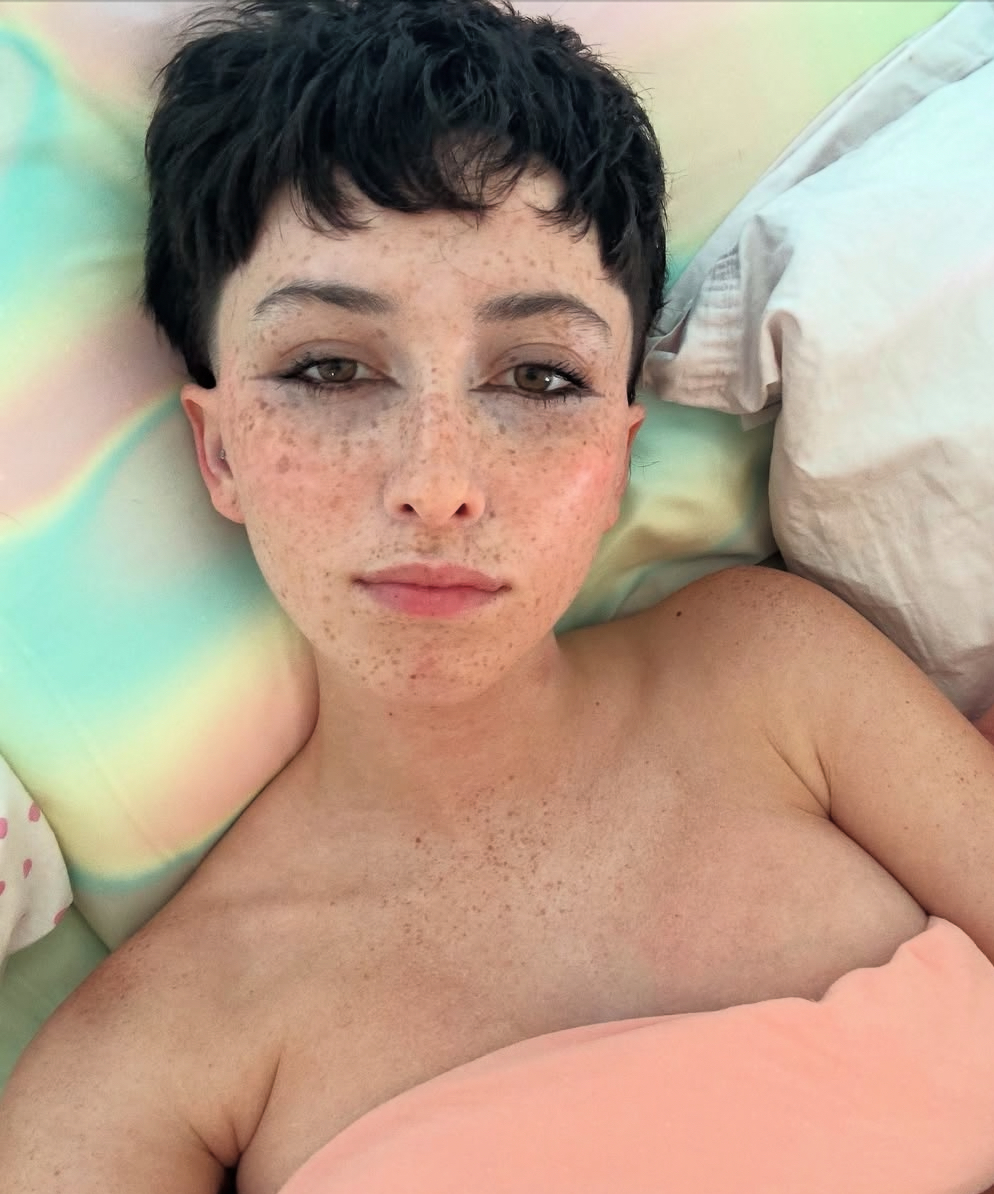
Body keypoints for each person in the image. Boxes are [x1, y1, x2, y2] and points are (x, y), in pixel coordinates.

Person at [2, 1, 994, 1191]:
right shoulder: (140, 1067)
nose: (436, 486)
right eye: (329, 368)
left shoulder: (777, 676)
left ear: (618, 455)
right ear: (217, 454)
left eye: (538, 378)